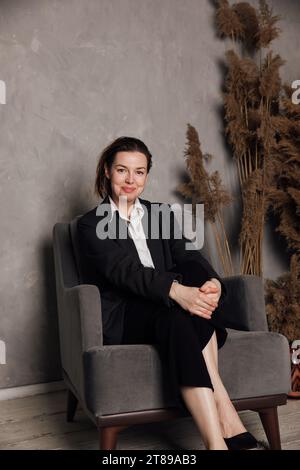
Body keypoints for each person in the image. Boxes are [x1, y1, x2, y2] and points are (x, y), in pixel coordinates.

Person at [77, 136, 259, 451]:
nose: (130, 180)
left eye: (139, 172)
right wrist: (178, 292)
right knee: (182, 312)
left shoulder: (160, 214)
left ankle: (219, 432)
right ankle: (222, 428)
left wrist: (211, 283)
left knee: (188, 294)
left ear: (147, 175)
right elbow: (126, 273)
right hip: (128, 312)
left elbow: (188, 256)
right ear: (107, 172)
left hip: (174, 305)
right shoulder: (91, 225)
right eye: (122, 170)